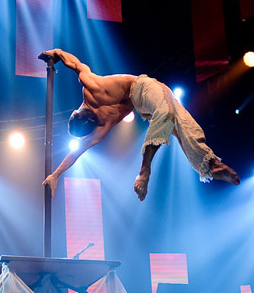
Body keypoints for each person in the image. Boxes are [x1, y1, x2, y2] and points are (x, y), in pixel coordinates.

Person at [41, 49, 240, 201]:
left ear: (77, 112)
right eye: (90, 124)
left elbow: (75, 63)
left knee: (181, 123)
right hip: (143, 104)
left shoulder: (90, 87)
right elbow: (78, 151)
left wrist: (56, 53)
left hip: (143, 87)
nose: (92, 119)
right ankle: (152, 171)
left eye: (87, 118)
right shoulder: (101, 127)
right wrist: (55, 175)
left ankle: (209, 165)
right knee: (170, 118)